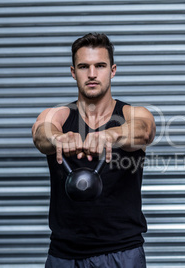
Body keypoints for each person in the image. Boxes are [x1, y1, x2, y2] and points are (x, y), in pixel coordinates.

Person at [32, 33, 155, 268]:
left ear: (113, 70)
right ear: (72, 72)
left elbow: (144, 130)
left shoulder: (133, 114)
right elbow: (41, 133)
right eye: (83, 66)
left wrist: (111, 134)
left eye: (100, 65)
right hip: (64, 254)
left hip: (123, 252)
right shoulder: (59, 115)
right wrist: (59, 138)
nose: (91, 74)